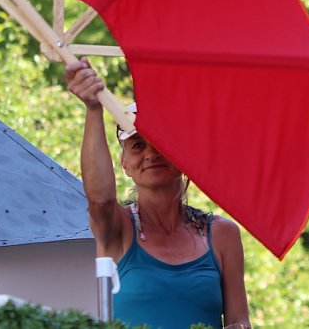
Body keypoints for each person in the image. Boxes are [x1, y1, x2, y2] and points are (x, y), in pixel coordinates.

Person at [66, 59, 252, 329]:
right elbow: (101, 199)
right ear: (126, 165)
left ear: (184, 154)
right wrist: (93, 109)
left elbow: (239, 320)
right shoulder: (118, 228)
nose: (151, 153)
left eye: (162, 142)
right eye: (138, 145)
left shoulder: (222, 234)